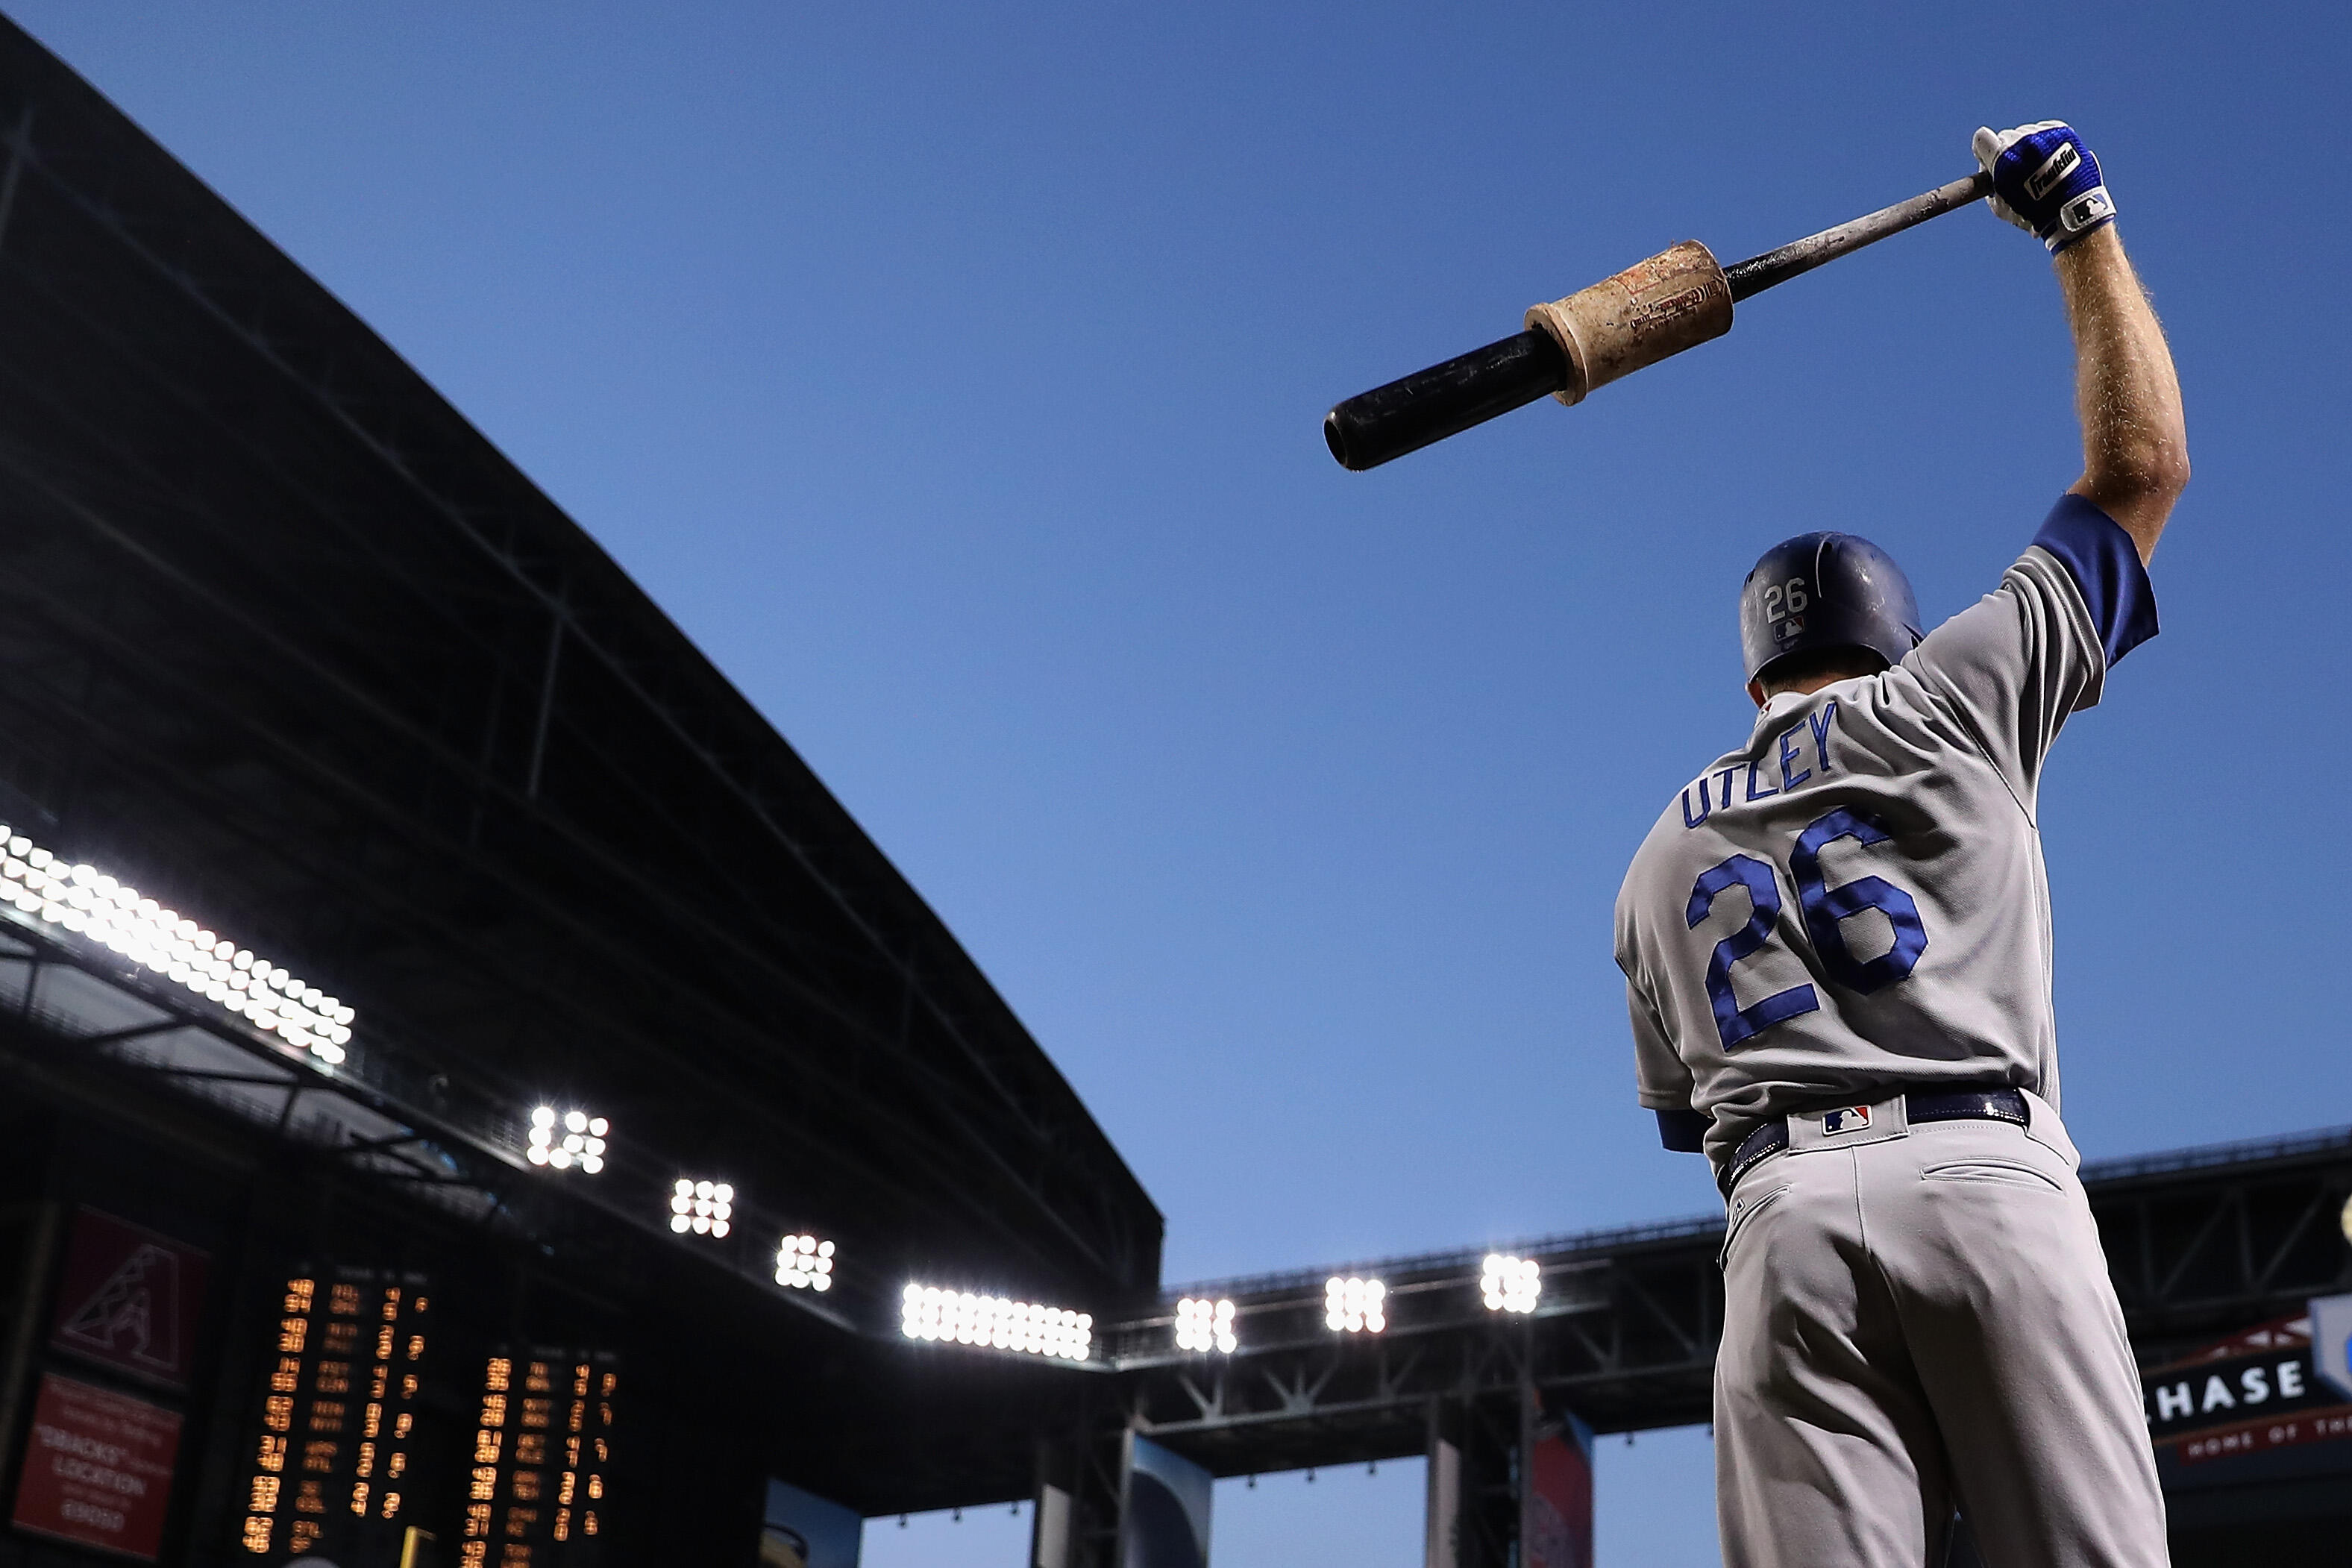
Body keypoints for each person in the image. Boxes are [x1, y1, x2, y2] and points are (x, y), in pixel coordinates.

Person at [1611, 122, 2187, 1568]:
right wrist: (2079, 225)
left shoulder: (1650, 860)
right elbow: (2139, 467)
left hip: (1780, 1223)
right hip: (1982, 1174)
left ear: (1752, 680)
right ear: (1893, 634)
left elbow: (1688, 1119)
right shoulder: (1956, 686)